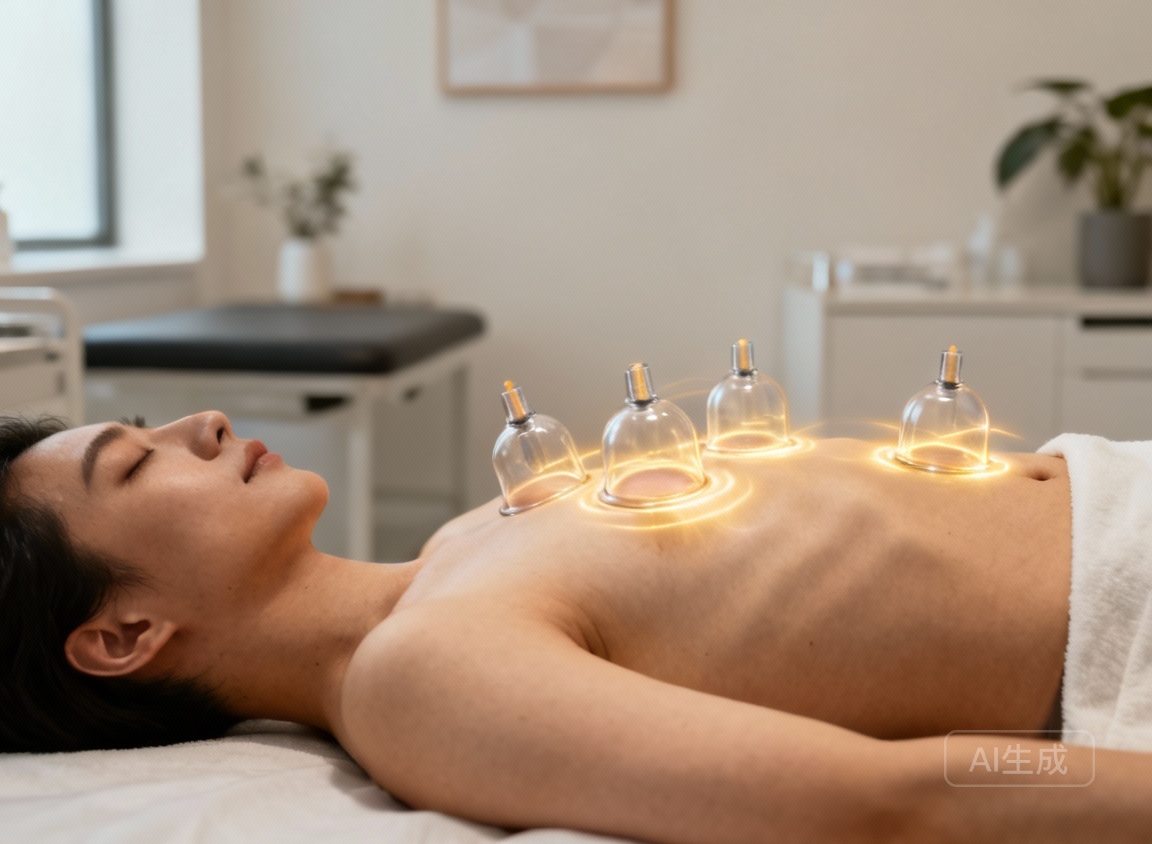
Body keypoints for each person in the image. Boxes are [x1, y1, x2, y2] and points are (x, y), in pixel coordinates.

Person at [1, 410, 1151, 843]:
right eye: (133, 460)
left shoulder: (457, 546)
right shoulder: (422, 675)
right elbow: (876, 800)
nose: (198, 424)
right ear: (124, 634)